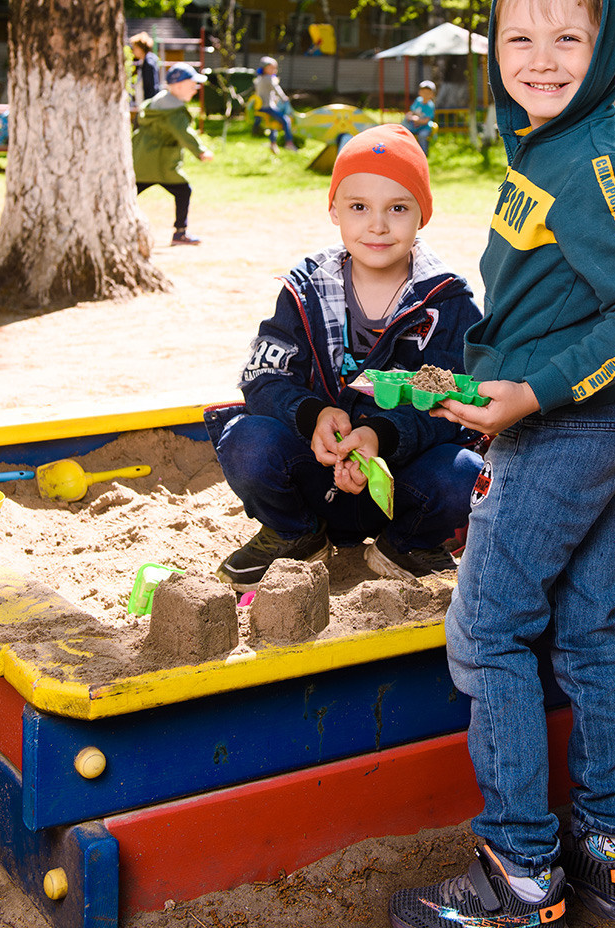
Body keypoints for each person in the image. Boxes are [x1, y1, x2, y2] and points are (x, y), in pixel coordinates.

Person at [388, 0, 615, 928]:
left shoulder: (593, 158)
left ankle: (519, 876)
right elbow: (542, 299)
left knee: (485, 638)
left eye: (569, 36)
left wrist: (531, 393)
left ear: (608, 50)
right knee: (587, 632)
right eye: (519, 36)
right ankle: (613, 844)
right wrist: (473, 379)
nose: (541, 56)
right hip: (573, 419)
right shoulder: (542, 147)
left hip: (573, 430)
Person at [205, 124, 484, 590]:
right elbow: (264, 375)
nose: (377, 224)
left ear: (423, 214)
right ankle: (295, 533)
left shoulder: (446, 302)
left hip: (401, 480)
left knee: (465, 474)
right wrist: (312, 414)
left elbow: (454, 404)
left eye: (398, 207)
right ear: (334, 209)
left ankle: (409, 546)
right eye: (359, 207)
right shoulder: (305, 289)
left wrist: (379, 435)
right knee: (245, 438)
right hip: (314, 473)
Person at [131, 61, 213, 245]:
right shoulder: (173, 111)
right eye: (192, 86)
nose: (195, 90)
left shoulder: (154, 103)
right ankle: (180, 233)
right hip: (163, 164)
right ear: (178, 86)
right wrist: (201, 152)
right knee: (184, 190)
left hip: (141, 162)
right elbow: (184, 133)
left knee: (129, 194)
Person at [254, 56, 297, 154]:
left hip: (262, 107)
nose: (275, 70)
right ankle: (289, 143)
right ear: (266, 68)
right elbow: (276, 89)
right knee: (286, 121)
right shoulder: (269, 78)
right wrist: (283, 97)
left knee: (273, 124)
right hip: (268, 106)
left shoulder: (260, 78)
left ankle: (273, 144)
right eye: (273, 68)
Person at [401, 79, 437, 154]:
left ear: (432, 95)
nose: (425, 94)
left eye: (428, 93)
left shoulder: (430, 106)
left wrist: (416, 119)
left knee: (422, 136)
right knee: (406, 132)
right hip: (414, 126)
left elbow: (426, 121)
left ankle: (423, 153)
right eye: (424, 92)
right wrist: (409, 116)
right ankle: (407, 151)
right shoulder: (418, 101)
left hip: (424, 127)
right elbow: (412, 111)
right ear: (420, 92)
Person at [129, 32, 161, 103]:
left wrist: (148, 104)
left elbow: (151, 86)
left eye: (135, 48)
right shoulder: (144, 61)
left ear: (141, 48)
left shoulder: (149, 63)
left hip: (149, 103)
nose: (133, 50)